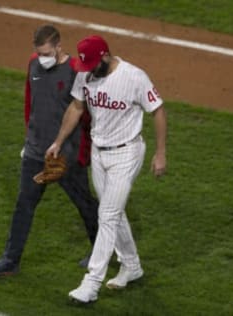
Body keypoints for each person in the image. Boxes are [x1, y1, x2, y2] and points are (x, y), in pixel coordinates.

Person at [46, 35, 167, 303]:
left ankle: (91, 284)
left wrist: (160, 153)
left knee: (108, 214)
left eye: (91, 64)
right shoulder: (86, 74)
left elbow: (157, 110)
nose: (87, 71)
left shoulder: (134, 77)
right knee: (113, 210)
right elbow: (76, 107)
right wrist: (58, 141)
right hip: (99, 154)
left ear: (105, 55)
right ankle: (132, 266)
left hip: (127, 153)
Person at [0, 25, 99, 276]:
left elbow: (86, 116)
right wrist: (29, 140)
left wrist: (83, 152)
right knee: (24, 204)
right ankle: (10, 261)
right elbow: (30, 103)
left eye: (47, 53)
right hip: (36, 153)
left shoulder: (76, 72)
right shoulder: (33, 64)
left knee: (84, 204)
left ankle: (102, 251)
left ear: (59, 47)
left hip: (65, 155)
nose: (42, 58)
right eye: (39, 52)